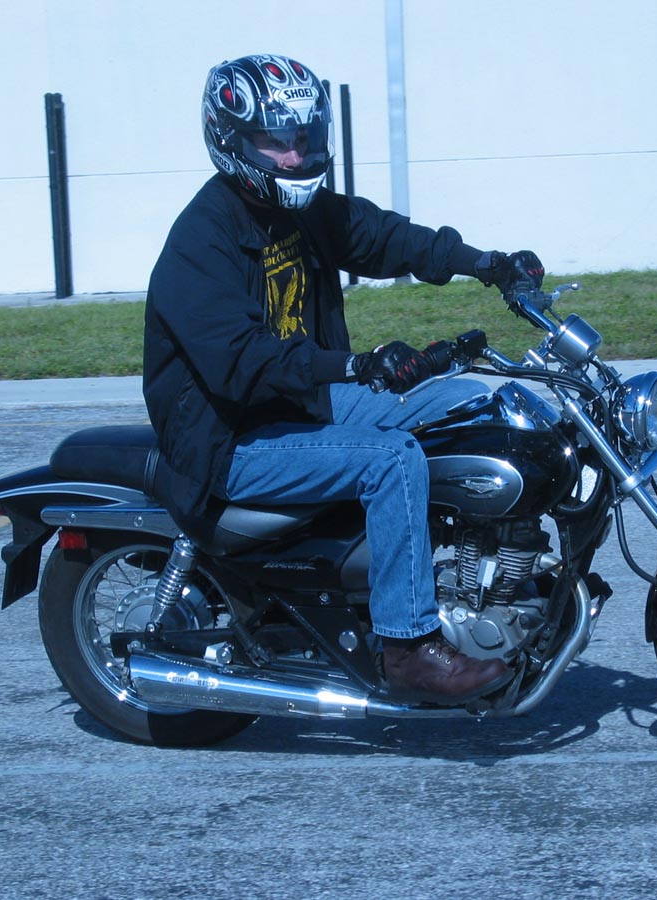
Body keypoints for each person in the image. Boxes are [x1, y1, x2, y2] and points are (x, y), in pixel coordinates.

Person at [142, 53, 545, 704]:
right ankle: (407, 648)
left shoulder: (299, 211)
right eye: (275, 141)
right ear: (231, 139)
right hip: (229, 439)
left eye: (304, 138)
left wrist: (487, 264)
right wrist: (356, 364)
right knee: (392, 460)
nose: (295, 155)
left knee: (466, 405)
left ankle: (481, 579)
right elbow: (241, 362)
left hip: (303, 403)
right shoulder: (201, 242)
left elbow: (382, 237)